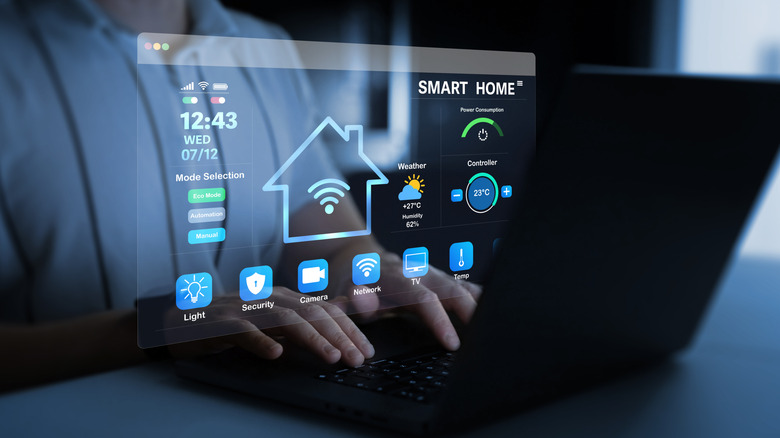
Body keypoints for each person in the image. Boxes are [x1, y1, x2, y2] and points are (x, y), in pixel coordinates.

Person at [0, 0, 478, 391]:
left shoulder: (267, 46)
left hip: (260, 406)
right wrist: (157, 327)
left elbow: (334, 245)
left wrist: (380, 275)